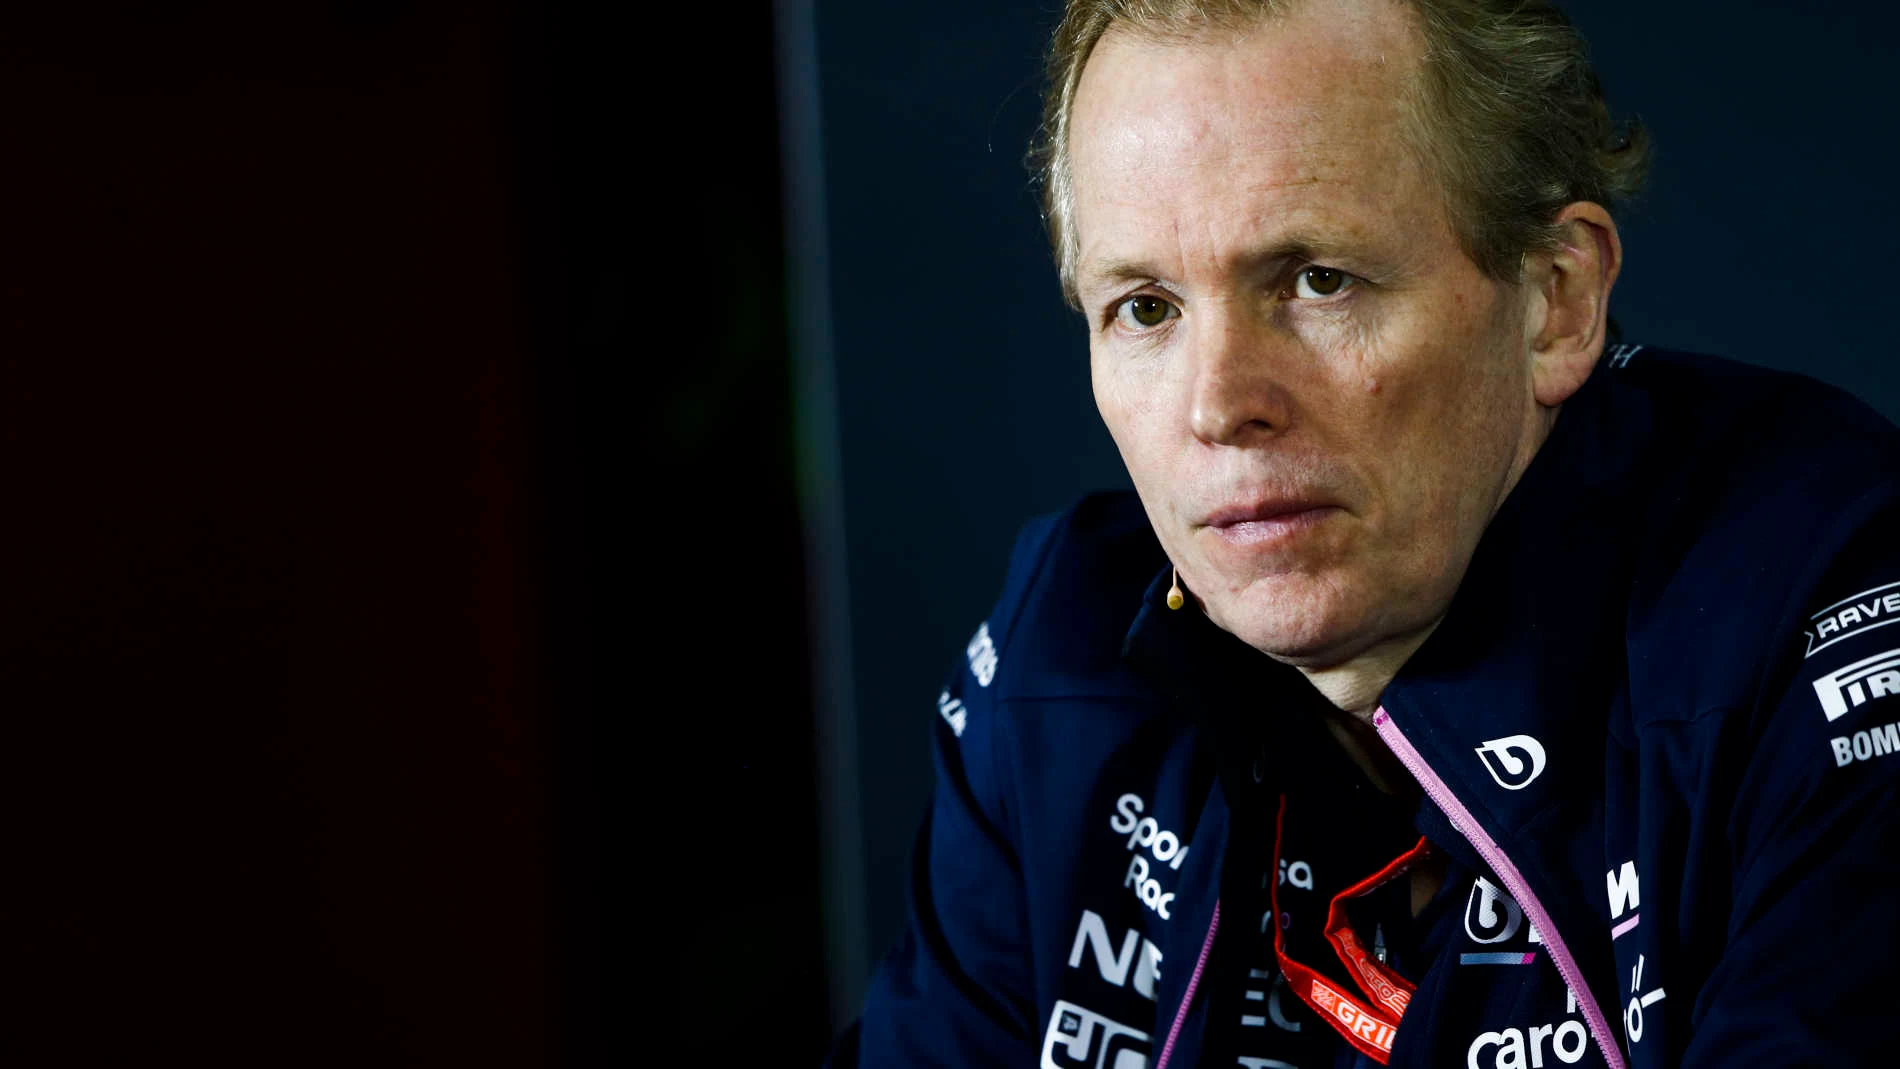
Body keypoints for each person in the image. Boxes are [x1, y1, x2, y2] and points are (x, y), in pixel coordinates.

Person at [827, 0, 1900, 1065]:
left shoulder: (1826, 603)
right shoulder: (1058, 658)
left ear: (1556, 301)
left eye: (1316, 280)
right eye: (1146, 308)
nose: (1217, 404)